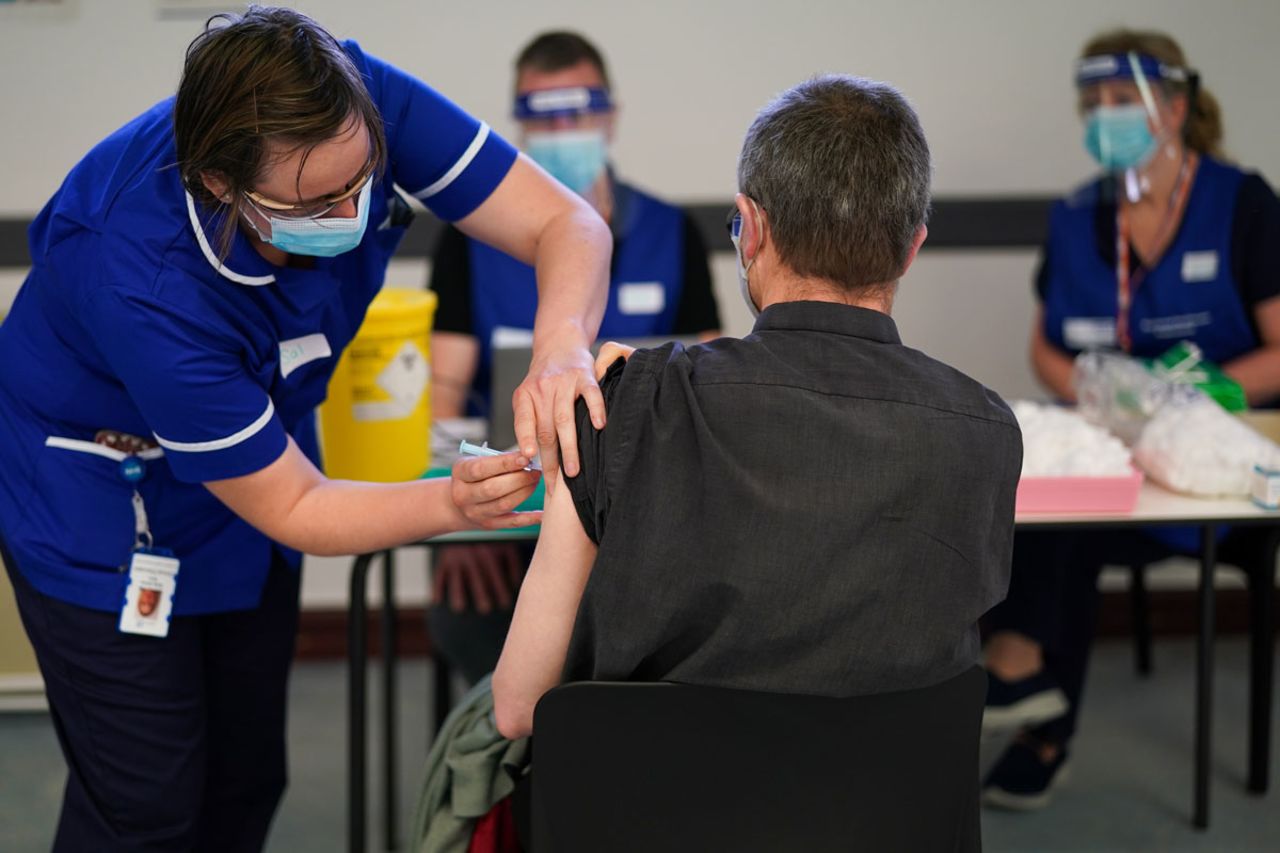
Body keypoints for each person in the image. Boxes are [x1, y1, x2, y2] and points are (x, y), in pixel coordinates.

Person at [0, 7, 613, 849]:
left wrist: (560, 350)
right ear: (221, 184)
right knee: (145, 802)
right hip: (103, 496)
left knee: (248, 777)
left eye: (365, 179)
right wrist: (452, 504)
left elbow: (566, 223)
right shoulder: (140, 276)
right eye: (320, 201)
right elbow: (296, 505)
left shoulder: (348, 95)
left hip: (257, 450)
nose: (357, 209)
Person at [489, 74, 1023, 739]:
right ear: (912, 247)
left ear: (753, 229)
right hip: (881, 818)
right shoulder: (987, 432)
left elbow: (518, 708)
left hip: (654, 813)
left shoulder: (623, 403)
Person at [981, 29, 1280, 811]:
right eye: (1093, 105)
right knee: (1045, 504)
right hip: (1119, 452)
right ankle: (1025, 685)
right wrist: (1090, 388)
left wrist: (1208, 391)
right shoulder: (1077, 215)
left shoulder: (1242, 204)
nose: (1103, 118)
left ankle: (1029, 697)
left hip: (1216, 466)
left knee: (1073, 528)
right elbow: (1044, 346)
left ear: (1174, 107)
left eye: (1122, 102)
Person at [427, 31, 721, 684]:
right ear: (519, 127)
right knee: (481, 633)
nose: (563, 126)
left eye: (578, 108)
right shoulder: (467, 244)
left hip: (649, 517)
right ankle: (517, 775)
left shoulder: (671, 232)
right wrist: (456, 518)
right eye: (542, 113)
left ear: (609, 115)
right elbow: (443, 390)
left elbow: (709, 386)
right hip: (510, 511)